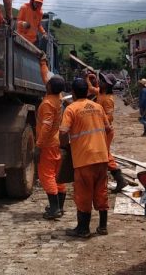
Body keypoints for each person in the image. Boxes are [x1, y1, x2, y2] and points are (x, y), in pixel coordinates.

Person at [59, 78, 111, 238]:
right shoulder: (97, 107)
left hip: (84, 159)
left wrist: (65, 145)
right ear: (87, 92)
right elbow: (108, 128)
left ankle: (83, 229)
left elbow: (63, 131)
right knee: (101, 191)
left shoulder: (71, 109)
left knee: (83, 194)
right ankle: (102, 226)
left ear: (73, 93)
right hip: (102, 156)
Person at [37, 54, 67, 219]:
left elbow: (46, 127)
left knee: (47, 175)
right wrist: (43, 63)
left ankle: (54, 209)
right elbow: (47, 77)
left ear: (49, 87)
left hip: (48, 144)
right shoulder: (58, 98)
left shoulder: (48, 103)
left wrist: (39, 145)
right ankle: (60, 207)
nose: (46, 83)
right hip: (56, 142)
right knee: (57, 174)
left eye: (48, 84)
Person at [87, 72, 128, 193]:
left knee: (105, 155)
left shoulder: (108, 99)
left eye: (103, 81)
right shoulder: (100, 93)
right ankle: (119, 179)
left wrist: (96, 116)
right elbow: (91, 88)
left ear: (108, 85)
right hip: (101, 130)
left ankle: (119, 179)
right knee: (105, 154)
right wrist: (88, 78)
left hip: (106, 131)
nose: (100, 82)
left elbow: (109, 117)